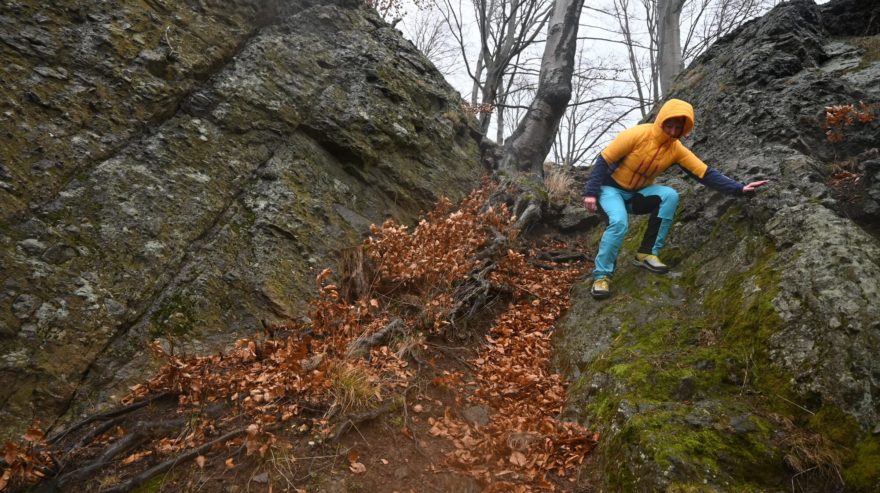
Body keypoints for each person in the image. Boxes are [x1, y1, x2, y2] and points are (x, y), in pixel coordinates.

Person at [582, 99, 768, 299]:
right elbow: (604, 160)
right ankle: (602, 277)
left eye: (677, 128)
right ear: (661, 121)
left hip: (636, 195)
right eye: (669, 125)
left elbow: (704, 173)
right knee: (619, 223)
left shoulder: (676, 149)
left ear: (683, 129)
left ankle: (647, 253)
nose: (672, 131)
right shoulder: (638, 134)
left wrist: (739, 189)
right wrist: (591, 193)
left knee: (669, 195)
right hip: (610, 190)